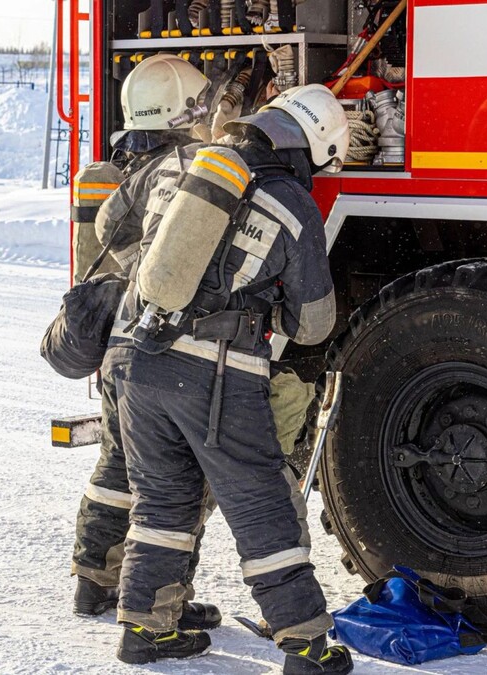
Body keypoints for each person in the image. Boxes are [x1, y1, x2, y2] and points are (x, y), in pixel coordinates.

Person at [103, 84, 354, 674]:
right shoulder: (291, 200)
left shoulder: (190, 166)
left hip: (138, 359)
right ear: (312, 146)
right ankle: (307, 644)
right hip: (215, 371)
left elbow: (116, 230)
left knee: (162, 499)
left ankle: (145, 628)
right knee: (260, 501)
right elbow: (314, 324)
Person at [69, 54, 221, 633]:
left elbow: (107, 230)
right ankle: (166, 603)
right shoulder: (195, 165)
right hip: (163, 350)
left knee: (114, 462)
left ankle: (92, 581)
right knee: (173, 480)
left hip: (116, 347)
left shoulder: (135, 170)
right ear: (188, 108)